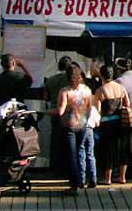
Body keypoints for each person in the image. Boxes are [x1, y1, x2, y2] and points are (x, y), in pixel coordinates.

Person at [48, 65, 92, 194]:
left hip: (69, 125)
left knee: (71, 155)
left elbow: (60, 111)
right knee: (79, 152)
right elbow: (89, 109)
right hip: (82, 124)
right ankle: (81, 180)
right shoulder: (87, 90)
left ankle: (74, 185)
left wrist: (46, 112)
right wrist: (85, 120)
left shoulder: (65, 91)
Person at [94, 65, 131, 185]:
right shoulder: (121, 87)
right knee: (122, 150)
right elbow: (127, 104)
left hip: (107, 124)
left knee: (108, 151)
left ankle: (107, 178)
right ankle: (122, 177)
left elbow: (97, 110)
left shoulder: (100, 90)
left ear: (101, 75)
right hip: (121, 123)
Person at [45, 55, 73, 177]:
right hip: (69, 113)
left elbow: (45, 96)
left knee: (55, 141)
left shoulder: (50, 79)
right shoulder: (70, 80)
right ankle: (68, 167)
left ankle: (56, 167)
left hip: (55, 112)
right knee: (69, 141)